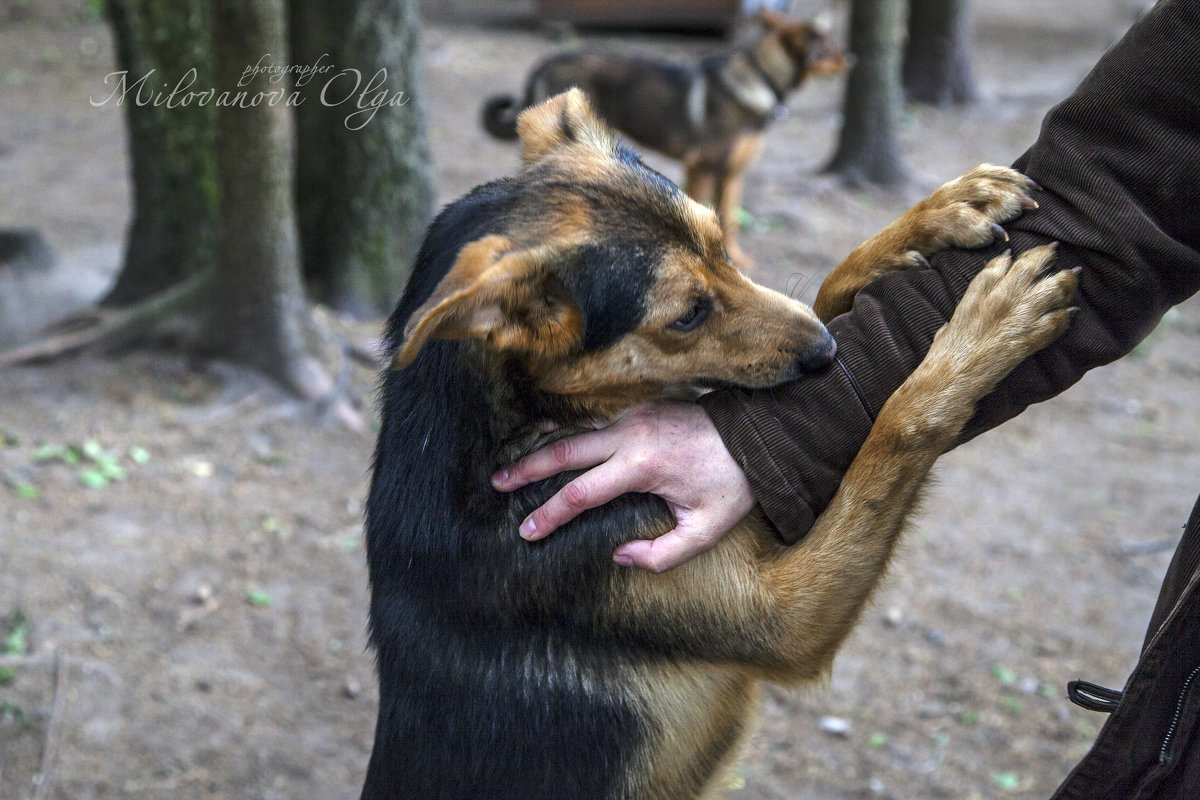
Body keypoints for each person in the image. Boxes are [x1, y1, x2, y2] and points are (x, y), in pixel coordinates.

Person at [490, 1, 1200, 797]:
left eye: (722, 246)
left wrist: (880, 255)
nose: (787, 318)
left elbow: (797, 378)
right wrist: (928, 403)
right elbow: (791, 634)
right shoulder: (536, 519)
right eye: (691, 309)